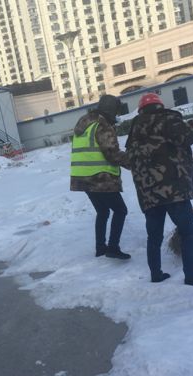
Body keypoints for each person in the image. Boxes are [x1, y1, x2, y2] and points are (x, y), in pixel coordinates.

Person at [125, 92, 193, 285]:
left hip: (148, 194)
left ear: (141, 110)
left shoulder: (134, 131)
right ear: (159, 106)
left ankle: (156, 274)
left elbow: (131, 161)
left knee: (154, 236)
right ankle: (191, 276)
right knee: (187, 233)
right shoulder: (167, 119)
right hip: (173, 189)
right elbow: (186, 135)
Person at [70, 94, 131, 259]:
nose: (116, 115)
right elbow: (112, 153)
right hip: (100, 178)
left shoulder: (84, 123)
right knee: (120, 210)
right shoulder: (102, 125)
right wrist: (133, 162)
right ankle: (112, 247)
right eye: (116, 111)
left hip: (82, 178)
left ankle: (100, 248)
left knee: (103, 211)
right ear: (112, 110)